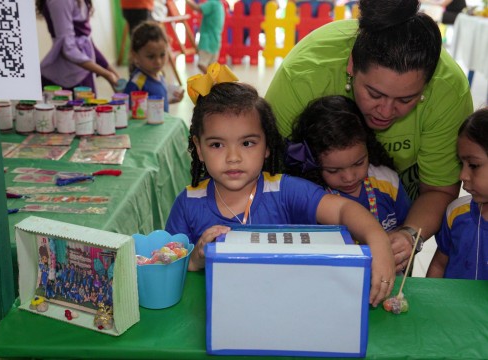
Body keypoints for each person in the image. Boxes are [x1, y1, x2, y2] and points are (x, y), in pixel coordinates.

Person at [264, 0, 473, 274]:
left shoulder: (448, 91)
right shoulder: (303, 77)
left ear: (428, 84)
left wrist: (408, 235)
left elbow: (438, 189)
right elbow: (267, 179)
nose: (386, 112)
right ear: (351, 66)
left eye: (406, 99)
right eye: (374, 94)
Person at [165, 75, 395, 306]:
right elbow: (165, 269)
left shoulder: (285, 191)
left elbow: (344, 209)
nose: (233, 158)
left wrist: (378, 241)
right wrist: (195, 260)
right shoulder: (187, 203)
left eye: (247, 143)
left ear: (267, 145)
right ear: (199, 148)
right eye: (217, 145)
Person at [285, 96, 411, 241]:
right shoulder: (311, 198)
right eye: (334, 171)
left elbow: (407, 225)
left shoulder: (388, 182)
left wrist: (401, 239)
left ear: (368, 147)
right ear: (314, 164)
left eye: (359, 163)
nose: (349, 177)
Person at [427, 108, 488, 279]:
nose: (462, 176)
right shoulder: (456, 213)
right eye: (461, 164)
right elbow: (439, 264)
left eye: (474, 165)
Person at [36, 0, 120, 94]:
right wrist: (107, 74)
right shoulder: (60, 2)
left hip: (83, 73)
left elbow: (87, 43)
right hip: (64, 80)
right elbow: (67, 49)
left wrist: (112, 72)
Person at [124, 21, 184, 112]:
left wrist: (170, 100)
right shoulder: (137, 83)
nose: (158, 62)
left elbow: (155, 102)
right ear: (135, 55)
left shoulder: (159, 74)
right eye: (151, 57)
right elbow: (127, 111)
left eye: (162, 54)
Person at [185, 0, 225, 73]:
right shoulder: (219, 4)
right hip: (215, 41)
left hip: (208, 41)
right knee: (210, 66)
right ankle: (212, 81)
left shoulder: (212, 3)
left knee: (201, 64)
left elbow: (197, 8)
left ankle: (213, 81)